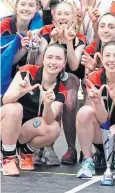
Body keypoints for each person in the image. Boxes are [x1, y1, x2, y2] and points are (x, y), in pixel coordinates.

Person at [0, 43, 67, 176]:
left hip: (25, 130)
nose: (53, 62)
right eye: (50, 57)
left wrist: (48, 103)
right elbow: (5, 100)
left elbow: (48, 120)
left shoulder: (61, 90)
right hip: (6, 123)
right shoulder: (27, 71)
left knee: (54, 128)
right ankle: (8, 158)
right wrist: (20, 92)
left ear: (64, 63)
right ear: (43, 59)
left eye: (58, 58)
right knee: (15, 108)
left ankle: (25, 152)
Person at [76, 41, 115, 178]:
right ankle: (87, 160)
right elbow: (103, 118)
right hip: (102, 130)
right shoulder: (93, 78)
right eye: (107, 55)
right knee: (84, 112)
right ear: (102, 59)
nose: (111, 60)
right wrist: (98, 102)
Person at [39, 1, 86, 165]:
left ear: (73, 17)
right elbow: (40, 62)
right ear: (54, 16)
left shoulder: (79, 38)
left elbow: (73, 65)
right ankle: (47, 147)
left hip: (69, 77)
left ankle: (71, 148)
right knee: (54, 106)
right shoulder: (45, 33)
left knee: (71, 103)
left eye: (67, 14)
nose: (63, 17)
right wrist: (53, 40)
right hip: (48, 77)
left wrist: (68, 42)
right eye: (60, 13)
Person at [0, 0, 42, 79]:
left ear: (36, 9)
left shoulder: (37, 30)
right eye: (23, 4)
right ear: (16, 7)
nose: (26, 8)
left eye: (31, 5)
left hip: (21, 76)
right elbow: (3, 63)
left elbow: (33, 64)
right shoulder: (3, 27)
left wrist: (31, 48)